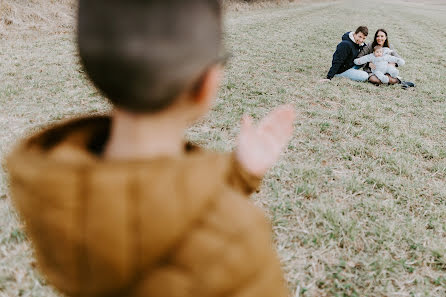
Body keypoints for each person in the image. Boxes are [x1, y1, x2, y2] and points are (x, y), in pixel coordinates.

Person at [6, 1, 295, 297]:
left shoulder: (52, 189)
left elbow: (133, 210)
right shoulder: (238, 238)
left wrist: (238, 174)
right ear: (206, 83)